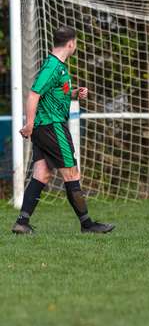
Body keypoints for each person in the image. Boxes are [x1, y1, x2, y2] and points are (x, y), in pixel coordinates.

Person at [12, 26, 114, 235]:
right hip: (52, 126)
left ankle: (22, 222)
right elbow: (33, 95)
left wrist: (75, 93)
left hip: (45, 126)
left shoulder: (58, 67)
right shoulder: (52, 67)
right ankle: (87, 225)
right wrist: (29, 124)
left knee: (42, 174)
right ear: (71, 44)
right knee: (72, 173)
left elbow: (56, 94)